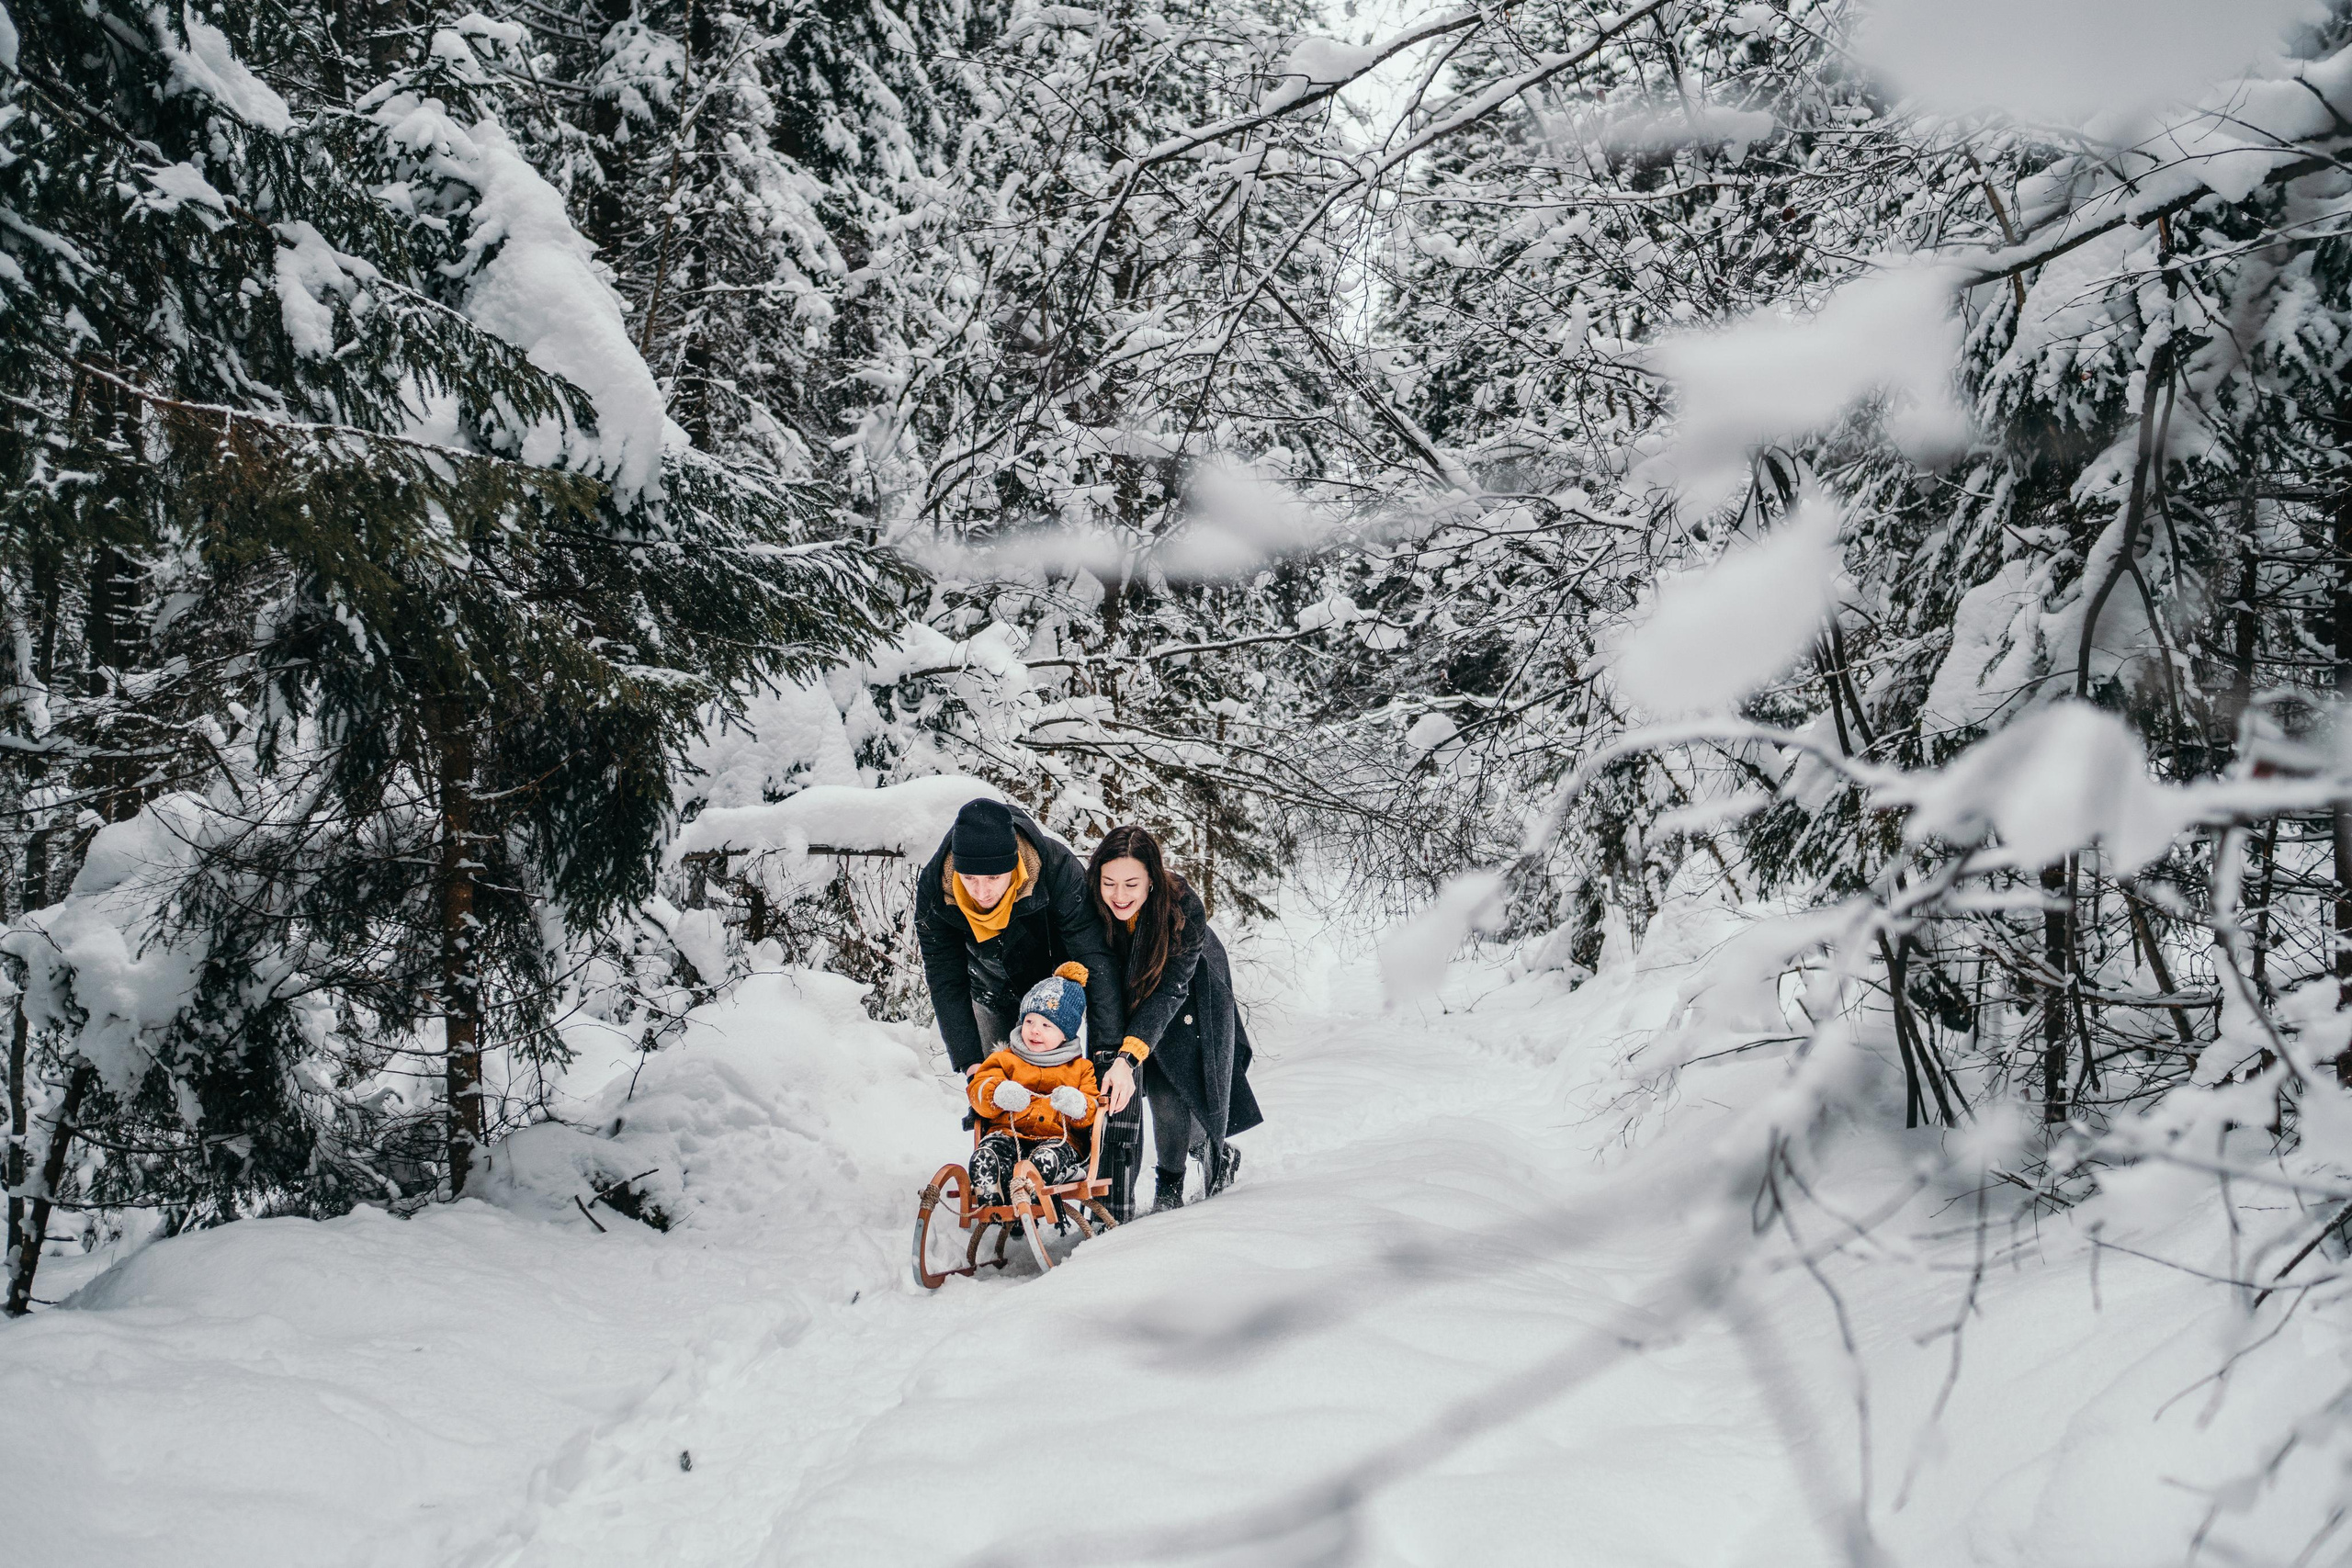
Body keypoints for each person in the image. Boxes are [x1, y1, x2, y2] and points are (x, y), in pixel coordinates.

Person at [1087, 825, 1261, 1216]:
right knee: (1116, 1091)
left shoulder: (1183, 907)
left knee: (1173, 1090)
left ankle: (1172, 1184)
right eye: (1109, 883)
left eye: (1131, 883)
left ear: (1151, 880)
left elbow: (1170, 991)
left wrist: (1133, 1053)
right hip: (1126, 993)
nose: (1119, 896)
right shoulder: (1089, 906)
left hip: (1189, 993)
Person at [915, 796, 1125, 1073]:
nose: (981, 892)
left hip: (1050, 995)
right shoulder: (936, 891)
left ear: (1013, 867)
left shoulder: (1056, 868)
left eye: (993, 878)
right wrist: (969, 1062)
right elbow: (945, 977)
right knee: (994, 1089)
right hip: (987, 990)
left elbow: (1093, 957)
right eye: (969, 879)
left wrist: (1105, 1055)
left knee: (1050, 1091)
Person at [966, 963, 1101, 1204]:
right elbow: (977, 1089)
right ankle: (994, 1201)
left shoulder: (1080, 1069)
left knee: (1045, 1161)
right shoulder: (1005, 1059)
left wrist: (1078, 1105)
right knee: (987, 1156)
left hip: (1058, 1141)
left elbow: (1090, 1111)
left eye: (1046, 1025)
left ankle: (1040, 1190)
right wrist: (996, 1093)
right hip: (1007, 1135)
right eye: (1029, 1022)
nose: (1035, 1031)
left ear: (1065, 1033)